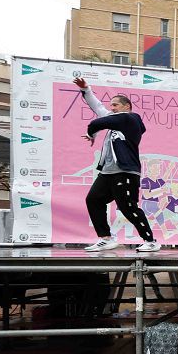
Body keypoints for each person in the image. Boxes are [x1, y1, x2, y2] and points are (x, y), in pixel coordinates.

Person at [72, 77, 159, 252]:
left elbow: (96, 122)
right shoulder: (115, 120)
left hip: (125, 171)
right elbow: (97, 108)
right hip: (108, 172)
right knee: (93, 200)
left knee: (128, 207)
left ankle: (151, 241)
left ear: (126, 106)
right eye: (110, 106)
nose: (111, 108)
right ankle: (106, 238)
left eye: (115, 105)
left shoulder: (130, 119)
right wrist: (86, 89)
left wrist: (92, 132)